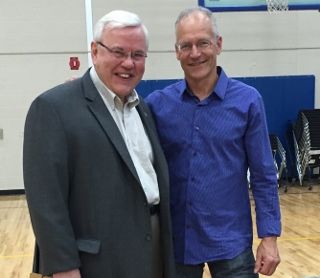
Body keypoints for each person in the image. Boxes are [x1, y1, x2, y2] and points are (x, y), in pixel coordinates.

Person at [23, 10, 175, 278]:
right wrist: (63, 267)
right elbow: (46, 200)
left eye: (137, 55)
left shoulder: (143, 109)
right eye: (118, 52)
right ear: (95, 51)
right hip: (96, 263)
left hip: (152, 249)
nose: (128, 63)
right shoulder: (54, 108)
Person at [145, 7, 281, 278]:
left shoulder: (248, 101)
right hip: (178, 243)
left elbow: (264, 174)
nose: (195, 53)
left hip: (231, 242)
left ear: (218, 44)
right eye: (186, 45)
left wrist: (269, 237)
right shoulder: (157, 105)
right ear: (176, 51)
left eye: (203, 43)